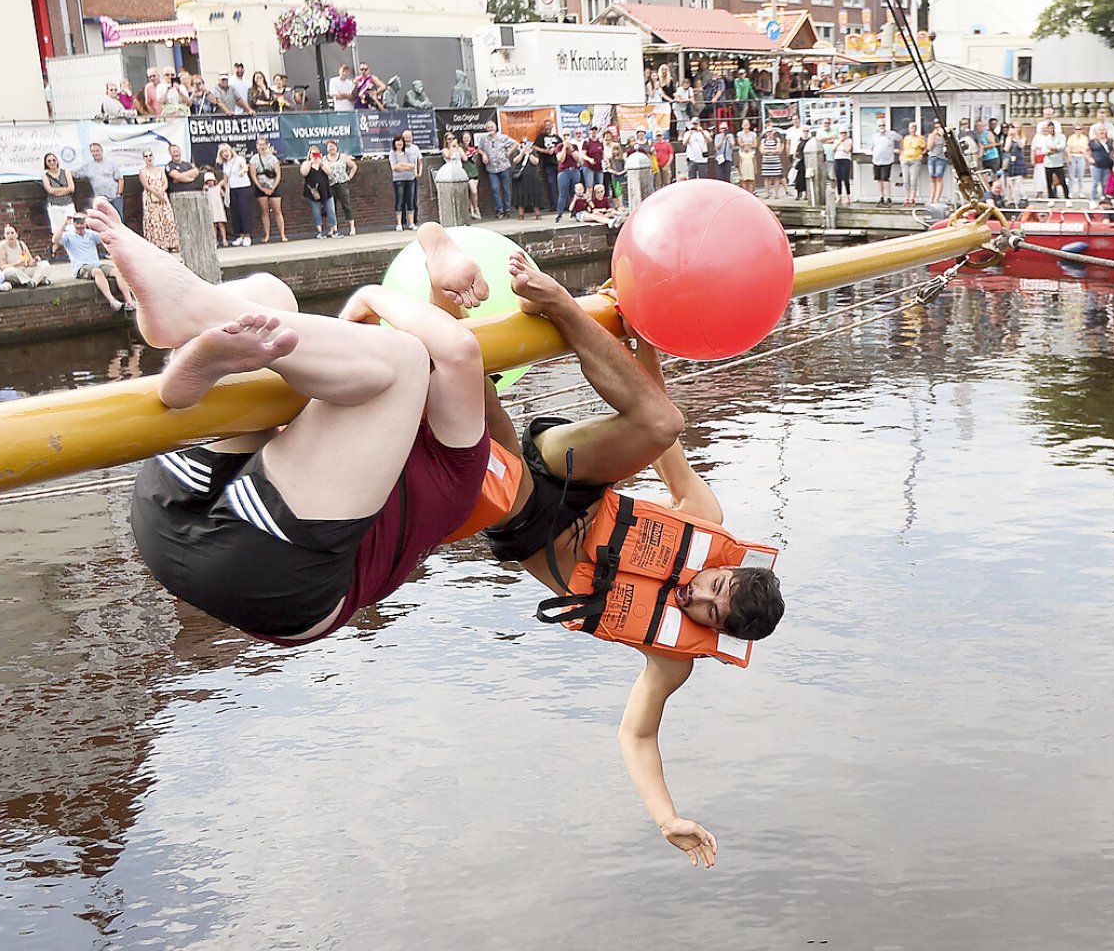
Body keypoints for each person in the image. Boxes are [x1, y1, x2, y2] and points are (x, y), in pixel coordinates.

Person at [479, 252, 784, 867]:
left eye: (710, 613)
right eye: (715, 584)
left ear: (717, 632)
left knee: (478, 409)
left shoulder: (673, 659)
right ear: (727, 564)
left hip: (525, 525)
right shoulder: (706, 519)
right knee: (662, 421)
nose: (695, 597)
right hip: (574, 475)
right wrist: (645, 335)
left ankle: (450, 335)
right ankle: (563, 305)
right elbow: (659, 424)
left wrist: (666, 817)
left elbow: (638, 735)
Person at [109, 207, 493, 655]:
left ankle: (193, 319)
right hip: (187, 531)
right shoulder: (371, 426)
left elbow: (460, 350)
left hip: (274, 575)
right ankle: (193, 343)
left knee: (404, 358)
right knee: (272, 297)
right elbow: (399, 351)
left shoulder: (459, 471)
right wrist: (434, 242)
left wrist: (373, 293)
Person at [59, 210, 134, 310]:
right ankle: (112, 300)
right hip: (81, 266)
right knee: (97, 272)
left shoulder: (90, 234)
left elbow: (105, 238)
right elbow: (55, 240)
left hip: (96, 263)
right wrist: (64, 224)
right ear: (74, 224)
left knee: (118, 271)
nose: (81, 227)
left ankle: (129, 301)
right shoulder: (68, 236)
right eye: (78, 224)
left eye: (82, 224)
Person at [138, 148, 179, 251]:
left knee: (167, 218)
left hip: (162, 195)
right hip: (150, 197)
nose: (148, 158)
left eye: (150, 155)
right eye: (146, 156)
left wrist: (162, 191)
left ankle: (172, 243)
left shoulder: (160, 169)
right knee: (154, 220)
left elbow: (165, 182)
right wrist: (156, 193)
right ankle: (158, 244)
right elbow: (146, 185)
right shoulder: (143, 171)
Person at [476, 120, 519, 218]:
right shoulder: (484, 139)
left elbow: (515, 143)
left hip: (504, 166)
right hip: (491, 168)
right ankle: (499, 210)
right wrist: (483, 154)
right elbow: (479, 148)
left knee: (506, 188)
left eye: (492, 127)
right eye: (488, 127)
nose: (490, 129)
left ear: (495, 128)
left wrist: (508, 153)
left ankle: (507, 209)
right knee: (495, 188)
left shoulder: (502, 137)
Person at [248, 137, 287, 243]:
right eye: (259, 144)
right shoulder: (254, 159)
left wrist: (273, 187)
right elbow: (253, 175)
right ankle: (267, 235)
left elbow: (278, 174)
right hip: (261, 186)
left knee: (277, 211)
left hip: (273, 185)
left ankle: (282, 234)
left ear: (266, 145)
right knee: (264, 212)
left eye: (263, 144)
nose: (261, 147)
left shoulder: (273, 159)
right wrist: (261, 188)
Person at [42, 152, 77, 257]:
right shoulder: (46, 175)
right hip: (55, 206)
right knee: (58, 230)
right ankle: (55, 252)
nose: (52, 163)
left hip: (68, 204)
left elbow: (71, 188)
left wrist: (58, 191)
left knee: (71, 227)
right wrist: (64, 190)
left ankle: (73, 250)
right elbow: (50, 190)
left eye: (54, 160)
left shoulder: (66, 172)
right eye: (49, 161)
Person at [219, 143, 254, 247]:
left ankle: (247, 236)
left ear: (230, 151)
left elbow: (245, 167)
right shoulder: (225, 164)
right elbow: (225, 180)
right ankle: (240, 235)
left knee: (244, 211)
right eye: (223, 153)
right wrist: (222, 190)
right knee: (236, 213)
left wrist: (243, 171)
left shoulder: (239, 159)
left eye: (226, 151)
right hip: (232, 189)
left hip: (244, 188)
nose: (225, 154)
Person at [322, 140, 359, 236]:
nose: (331, 148)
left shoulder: (343, 157)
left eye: (333, 146)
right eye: (329, 147)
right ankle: (333, 228)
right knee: (331, 207)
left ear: (336, 147)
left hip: (342, 183)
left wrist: (349, 176)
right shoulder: (324, 159)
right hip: (330, 185)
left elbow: (353, 166)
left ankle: (352, 227)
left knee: (346, 205)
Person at [80, 141, 125, 219]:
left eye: (97, 150)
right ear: (91, 153)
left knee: (118, 220)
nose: (96, 153)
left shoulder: (111, 163)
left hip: (114, 198)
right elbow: (75, 174)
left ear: (102, 151)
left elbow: (120, 179)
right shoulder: (88, 166)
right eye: (93, 151)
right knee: (103, 221)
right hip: (100, 200)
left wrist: (119, 194)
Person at [300, 145, 336, 237]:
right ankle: (320, 231)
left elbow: (329, 172)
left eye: (316, 153)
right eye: (313, 154)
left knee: (331, 210)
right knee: (316, 211)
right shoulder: (306, 163)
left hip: (326, 191)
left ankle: (333, 230)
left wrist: (320, 163)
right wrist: (311, 162)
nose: (314, 156)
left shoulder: (323, 162)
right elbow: (304, 172)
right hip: (313, 192)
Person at [389, 132, 423, 230]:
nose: (399, 144)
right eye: (397, 142)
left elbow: (412, 166)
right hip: (398, 180)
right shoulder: (392, 153)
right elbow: (394, 167)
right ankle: (399, 223)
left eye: (401, 142)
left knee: (411, 200)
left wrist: (401, 164)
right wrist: (405, 166)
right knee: (399, 200)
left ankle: (411, 223)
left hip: (410, 179)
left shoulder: (408, 152)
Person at [512, 137, 544, 219]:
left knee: (534, 195)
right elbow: (516, 161)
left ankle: (537, 214)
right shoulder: (517, 151)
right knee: (520, 196)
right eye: (523, 143)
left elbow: (536, 162)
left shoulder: (533, 152)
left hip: (532, 177)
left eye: (526, 143)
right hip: (521, 177)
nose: (525, 145)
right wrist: (522, 153)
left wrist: (529, 154)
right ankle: (521, 214)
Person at [870, 115, 899, 205]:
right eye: (880, 126)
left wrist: (898, 150)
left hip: (887, 160)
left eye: (883, 125)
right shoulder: (875, 136)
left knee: (886, 179)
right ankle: (881, 197)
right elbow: (872, 147)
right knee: (879, 180)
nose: (882, 127)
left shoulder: (891, 134)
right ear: (877, 127)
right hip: (876, 160)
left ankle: (888, 198)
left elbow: (900, 139)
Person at [555, 138, 586, 221]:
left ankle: (575, 212)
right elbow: (560, 159)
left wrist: (571, 149)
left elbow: (579, 160)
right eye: (564, 135)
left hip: (574, 170)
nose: (566, 137)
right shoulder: (559, 146)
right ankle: (559, 213)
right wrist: (564, 148)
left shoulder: (574, 146)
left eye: (568, 135)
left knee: (575, 193)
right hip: (563, 171)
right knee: (563, 193)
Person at [898, 122, 926, 204]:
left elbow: (925, 147)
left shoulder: (920, 138)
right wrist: (901, 154)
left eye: (914, 128)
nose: (913, 129)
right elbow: (902, 147)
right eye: (911, 128)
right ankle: (906, 198)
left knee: (913, 180)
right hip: (905, 159)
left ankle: (912, 198)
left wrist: (922, 154)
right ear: (908, 129)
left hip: (915, 160)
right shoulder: (906, 138)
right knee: (905, 180)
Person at [461, 131, 484, 220]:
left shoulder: (473, 148)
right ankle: (475, 208)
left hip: (474, 171)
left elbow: (475, 160)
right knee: (473, 191)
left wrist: (474, 154)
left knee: (473, 193)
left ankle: (472, 211)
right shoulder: (460, 148)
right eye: (464, 138)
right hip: (466, 172)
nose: (466, 139)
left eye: (468, 138)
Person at [734, 116, 759, 194]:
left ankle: (752, 192)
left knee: (751, 176)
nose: (746, 125)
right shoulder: (739, 134)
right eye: (744, 124)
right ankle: (745, 192)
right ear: (742, 125)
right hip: (742, 155)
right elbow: (740, 143)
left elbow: (755, 144)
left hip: (751, 154)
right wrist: (748, 145)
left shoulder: (753, 134)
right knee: (744, 177)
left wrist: (747, 145)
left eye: (747, 124)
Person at [203, 171, 229, 245]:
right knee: (213, 225)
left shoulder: (218, 188)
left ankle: (224, 239)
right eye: (208, 181)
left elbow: (224, 195)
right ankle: (215, 240)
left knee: (221, 224)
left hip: (218, 208)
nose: (210, 182)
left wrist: (225, 188)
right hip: (211, 209)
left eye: (211, 181)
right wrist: (204, 190)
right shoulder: (206, 190)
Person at [925, 122, 949, 204]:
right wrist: (933, 137)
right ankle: (931, 198)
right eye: (936, 127)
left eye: (939, 127)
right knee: (932, 178)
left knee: (939, 178)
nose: (937, 129)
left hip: (941, 158)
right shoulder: (931, 136)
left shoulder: (944, 137)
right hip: (932, 158)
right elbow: (929, 147)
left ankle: (936, 199)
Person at [831, 127, 853, 204]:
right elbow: (833, 149)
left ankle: (848, 195)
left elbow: (847, 150)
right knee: (838, 178)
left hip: (845, 159)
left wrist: (843, 143)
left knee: (845, 178)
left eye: (844, 133)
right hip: (837, 159)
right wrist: (838, 142)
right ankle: (839, 195)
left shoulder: (849, 140)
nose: (843, 134)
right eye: (841, 133)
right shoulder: (837, 141)